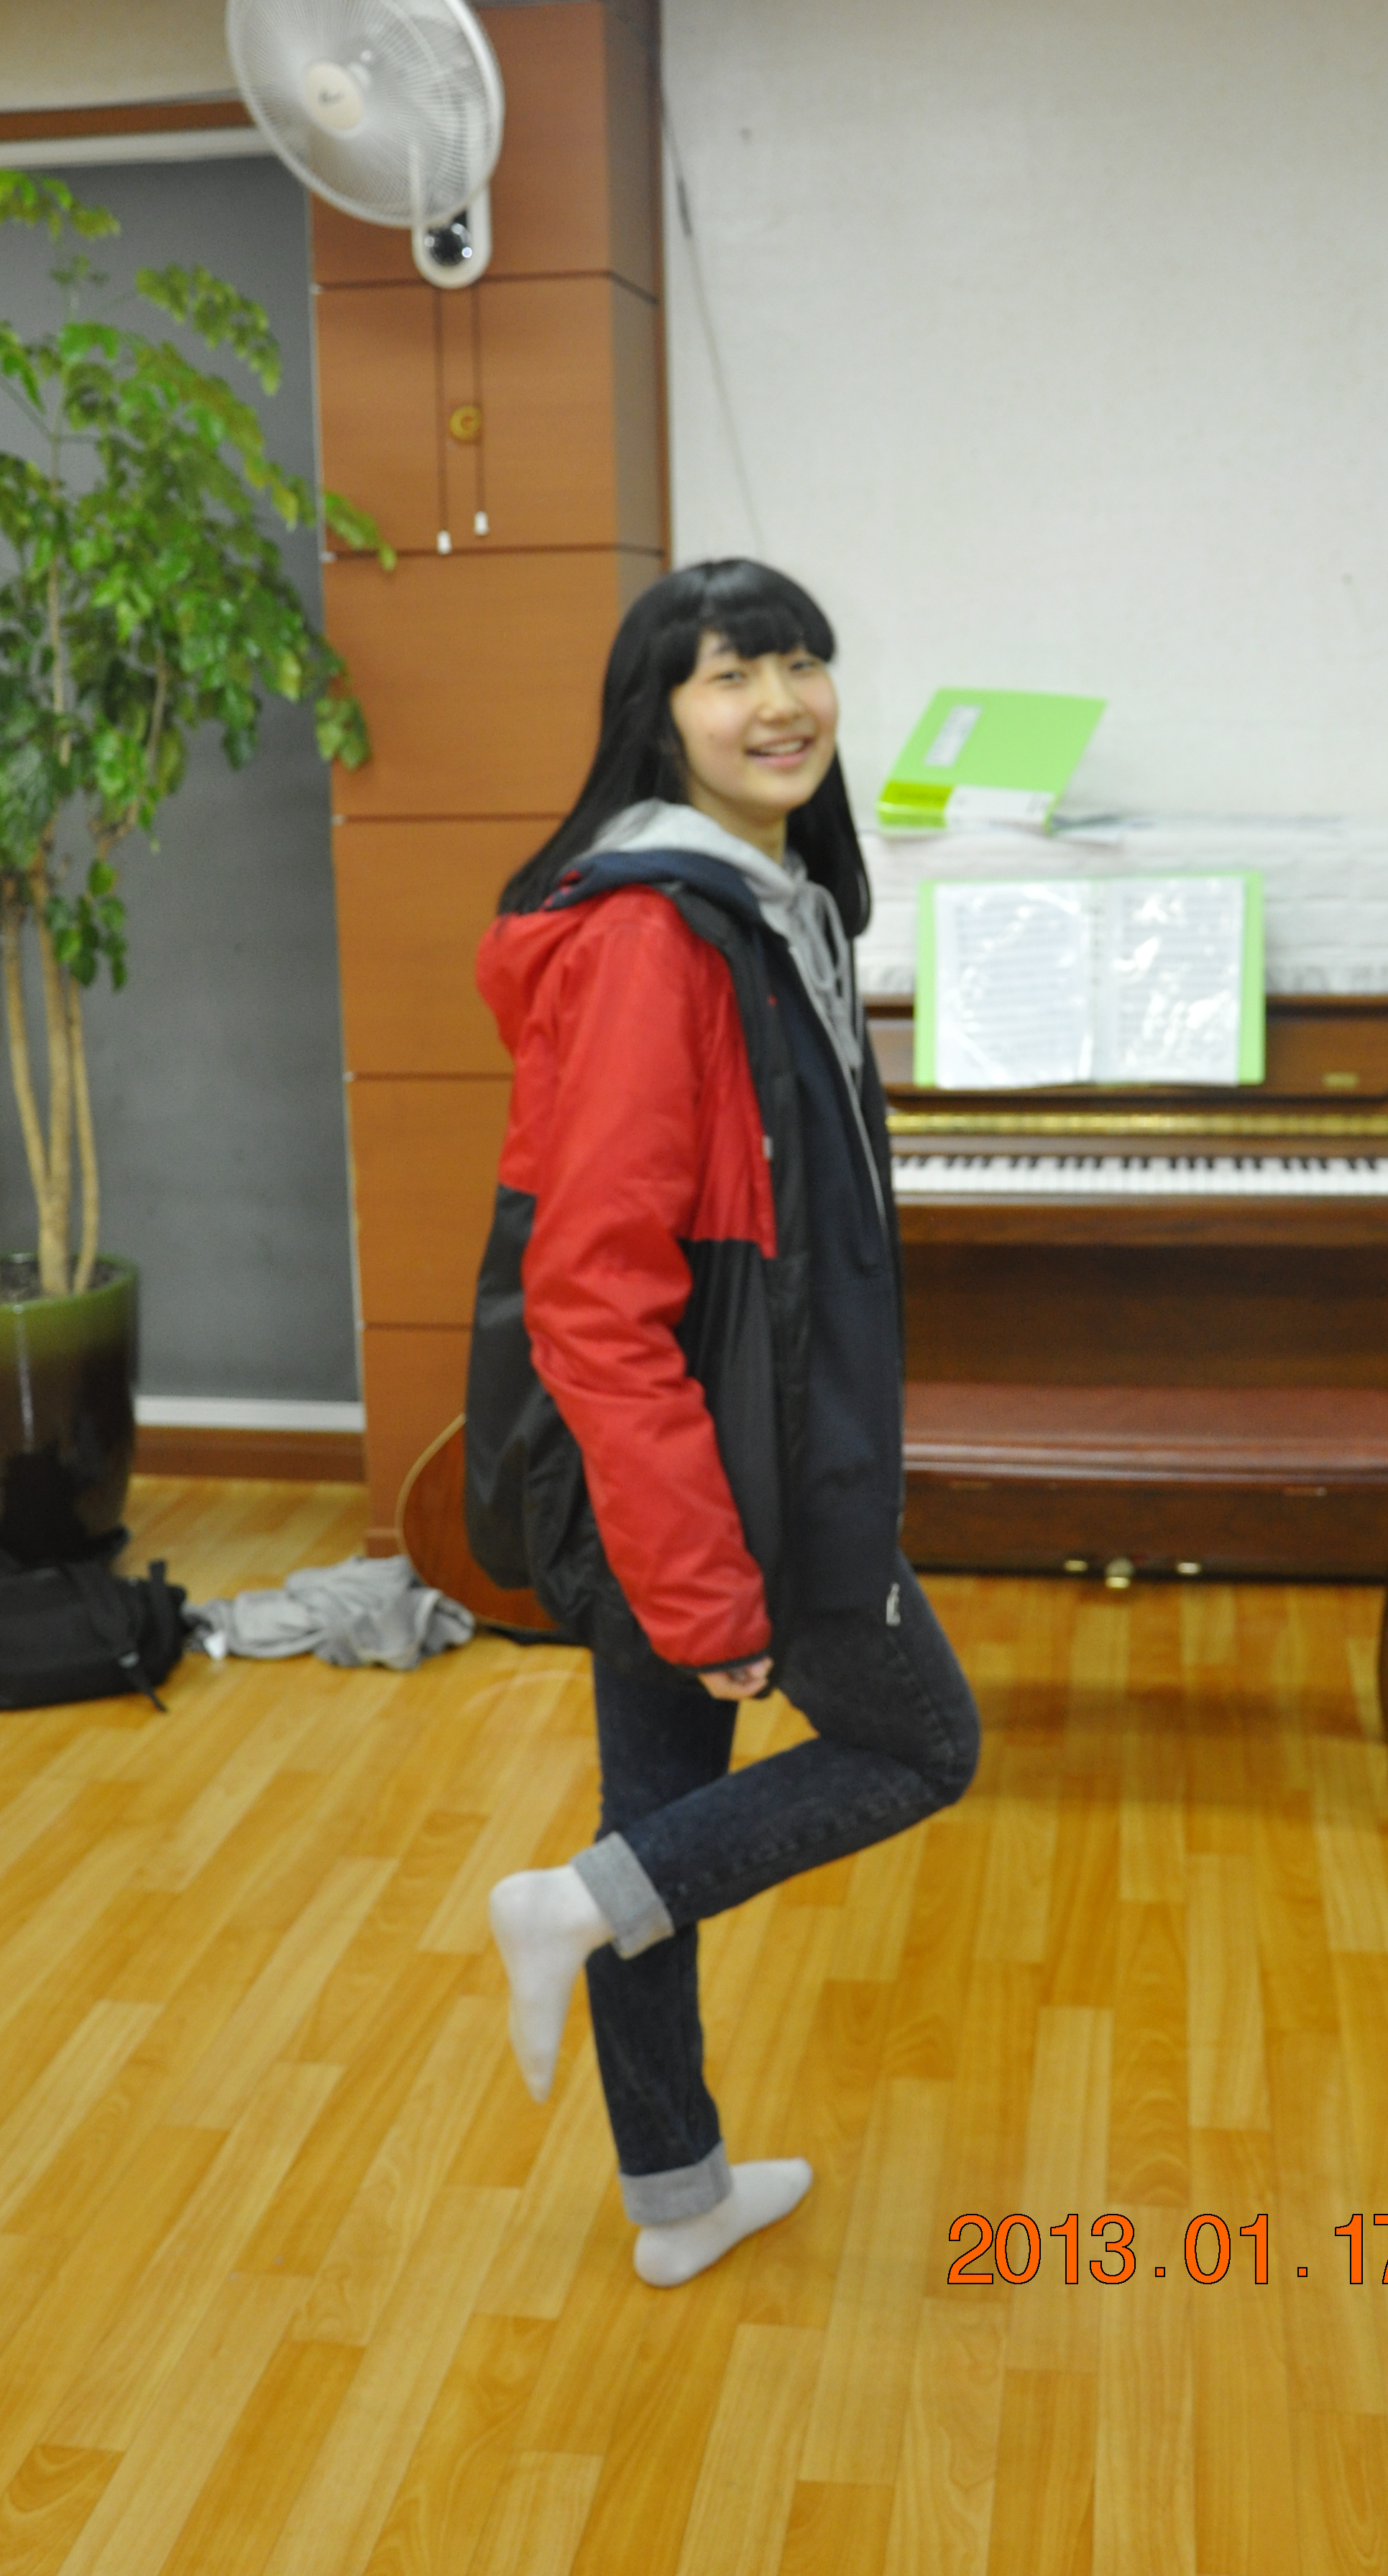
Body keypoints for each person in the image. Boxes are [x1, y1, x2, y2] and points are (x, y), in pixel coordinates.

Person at [469, 558, 982, 2288]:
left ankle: (676, 2190)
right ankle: (564, 1906)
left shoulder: (770, 902)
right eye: (730, 672)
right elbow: (592, 1293)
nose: (781, 701)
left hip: (703, 1450)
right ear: (658, 713)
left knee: (656, 1813)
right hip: (716, 1470)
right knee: (919, 1745)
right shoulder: (650, 933)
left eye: (802, 661)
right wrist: (700, 1586)